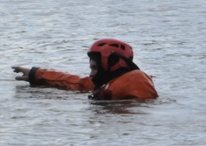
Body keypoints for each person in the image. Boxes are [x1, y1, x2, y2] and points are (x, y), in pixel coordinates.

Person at [13, 38, 158, 101]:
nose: (91, 74)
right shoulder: (108, 83)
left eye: (95, 68)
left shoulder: (136, 79)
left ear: (111, 63)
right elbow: (76, 82)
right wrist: (36, 74)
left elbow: (138, 108)